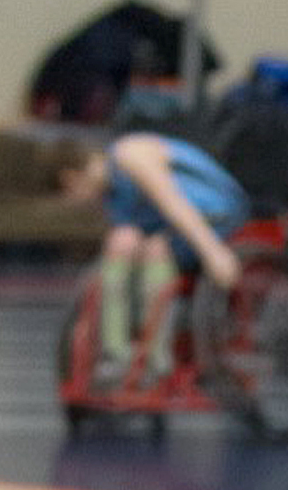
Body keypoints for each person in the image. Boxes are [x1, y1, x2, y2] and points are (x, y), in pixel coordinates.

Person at [52, 129, 248, 385]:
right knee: (121, 242)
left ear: (71, 179)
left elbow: (173, 203)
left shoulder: (130, 154)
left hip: (212, 211)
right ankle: (117, 352)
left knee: (156, 249)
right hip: (166, 226)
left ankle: (156, 356)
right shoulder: (110, 194)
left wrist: (213, 253)